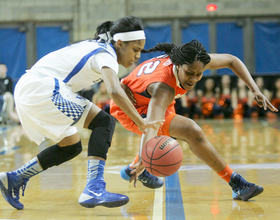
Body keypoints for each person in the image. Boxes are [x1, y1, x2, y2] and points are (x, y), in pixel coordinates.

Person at [0, 15, 163, 210]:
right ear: (119, 43)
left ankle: (14, 178)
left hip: (34, 89)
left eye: (141, 51)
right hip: (42, 88)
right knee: (104, 122)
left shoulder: (100, 48)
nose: (138, 56)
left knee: (71, 146)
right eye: (135, 50)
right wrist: (141, 122)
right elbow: (113, 90)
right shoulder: (106, 53)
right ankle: (94, 188)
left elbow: (113, 85)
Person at [110, 39, 278, 201]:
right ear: (177, 65)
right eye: (189, 73)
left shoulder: (194, 60)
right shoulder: (164, 89)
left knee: (171, 132)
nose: (193, 79)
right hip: (129, 107)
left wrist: (254, 89)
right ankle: (238, 184)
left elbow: (231, 60)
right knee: (191, 131)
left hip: (146, 97)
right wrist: (144, 159)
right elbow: (150, 127)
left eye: (199, 74)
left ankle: (133, 169)